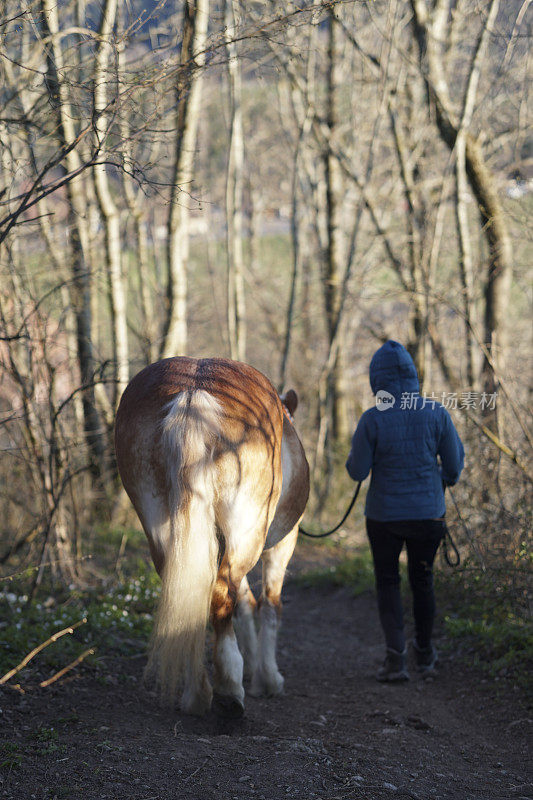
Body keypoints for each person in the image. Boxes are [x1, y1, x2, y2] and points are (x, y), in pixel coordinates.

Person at [346, 340, 464, 682]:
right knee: (423, 581)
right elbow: (454, 469)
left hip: (383, 517)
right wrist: (440, 480)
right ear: (413, 376)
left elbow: (358, 472)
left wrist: (351, 460)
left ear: (376, 379)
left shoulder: (372, 419)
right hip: (429, 515)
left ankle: (395, 659)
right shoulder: (437, 412)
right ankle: (425, 656)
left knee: (387, 582)